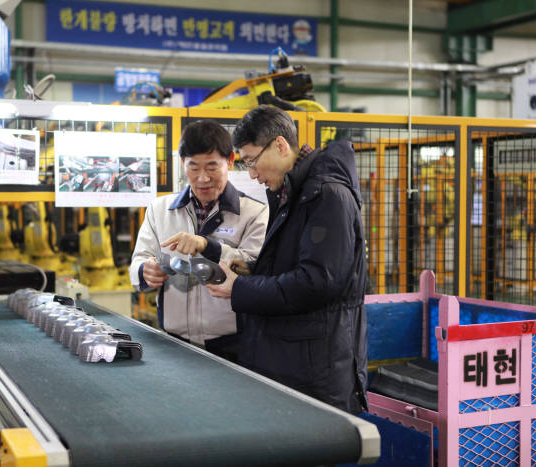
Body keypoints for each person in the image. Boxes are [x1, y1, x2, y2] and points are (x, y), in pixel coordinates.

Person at [206, 105, 368, 414]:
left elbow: (318, 282)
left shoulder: (326, 196)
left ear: (280, 145)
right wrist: (252, 271)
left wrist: (239, 289)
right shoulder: (293, 194)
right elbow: (297, 265)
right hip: (293, 365)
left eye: (252, 161)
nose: (252, 174)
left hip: (317, 376)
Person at [130, 119, 268, 362]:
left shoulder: (254, 213)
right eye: (193, 167)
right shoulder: (159, 209)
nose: (203, 178)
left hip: (234, 345)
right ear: (182, 164)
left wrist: (209, 247)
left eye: (212, 167)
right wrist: (145, 271)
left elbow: (256, 269)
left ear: (231, 161)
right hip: (173, 341)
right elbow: (138, 260)